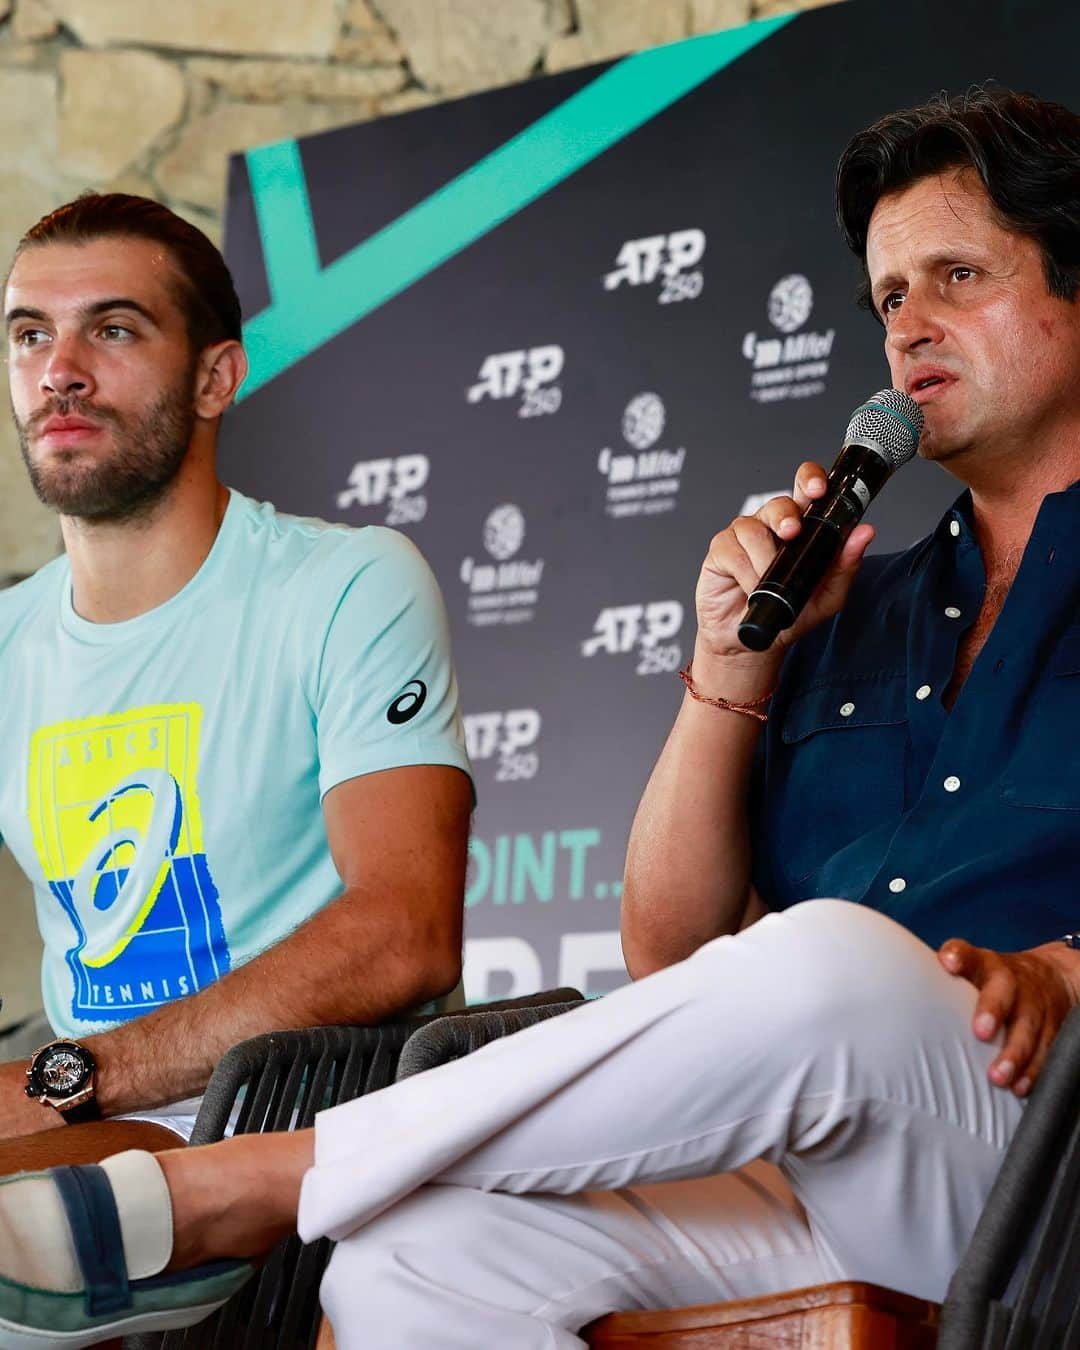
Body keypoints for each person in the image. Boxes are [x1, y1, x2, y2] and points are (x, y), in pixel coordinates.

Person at [0, 86, 1079, 1350]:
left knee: (837, 961)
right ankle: (299, 1190)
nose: (910, 330)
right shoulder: (855, 603)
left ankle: (256, 1181)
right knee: (413, 1253)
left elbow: (816, 984)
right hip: (843, 1162)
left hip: (1044, 1146)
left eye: (958, 275)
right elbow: (673, 953)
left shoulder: (331, 584)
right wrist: (729, 666)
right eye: (891, 298)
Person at [0, 194, 473, 1181]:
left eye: (113, 329)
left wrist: (71, 1079)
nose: (60, 371)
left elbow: (405, 933)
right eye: (30, 334)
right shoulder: (8, 642)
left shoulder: (347, 583)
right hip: (79, 1138)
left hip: (292, 1130)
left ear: (217, 377)